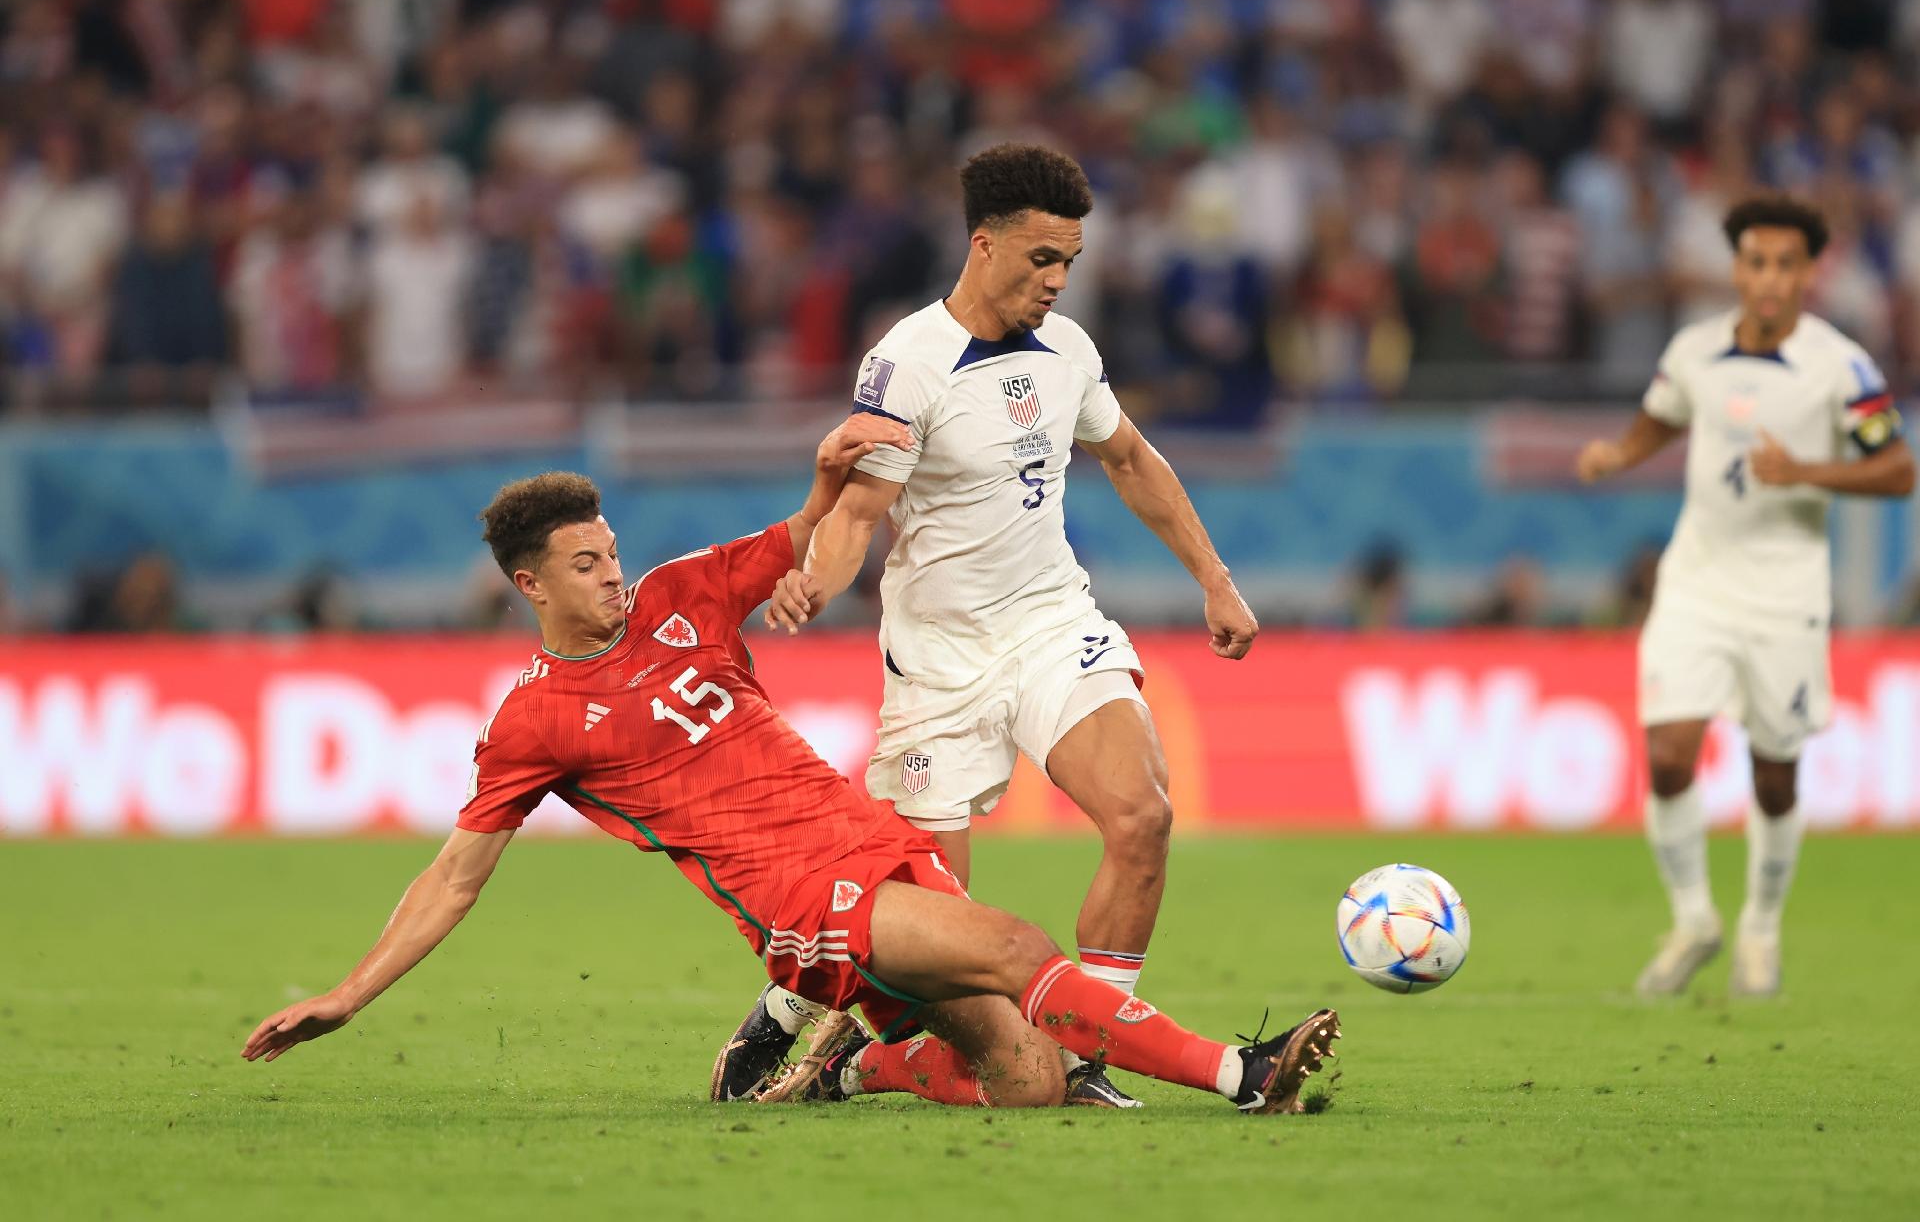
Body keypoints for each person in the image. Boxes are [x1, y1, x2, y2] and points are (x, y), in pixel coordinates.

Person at [240, 448, 1340, 1118]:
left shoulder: (681, 595)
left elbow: (806, 537)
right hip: (805, 902)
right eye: (585, 563)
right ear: (529, 584)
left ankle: (854, 1075)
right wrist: (349, 991)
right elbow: (454, 878)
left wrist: (826, 483)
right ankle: (1244, 1073)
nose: (614, 571)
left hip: (869, 840)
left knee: (1030, 1079)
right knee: (1015, 945)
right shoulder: (532, 722)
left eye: (612, 549)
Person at [714, 144, 1260, 1108]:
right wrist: (814, 582)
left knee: (1143, 815)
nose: (1057, 281)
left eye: (1069, 264)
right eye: (1042, 259)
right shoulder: (907, 363)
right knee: (933, 943)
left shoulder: (1072, 353)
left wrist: (1216, 581)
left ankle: (1090, 1052)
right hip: (939, 664)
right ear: (984, 243)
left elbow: (1132, 460)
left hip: (1052, 624)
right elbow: (857, 513)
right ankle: (805, 1022)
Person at [1575, 194, 1914, 999]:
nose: (1769, 279)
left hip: (1787, 592)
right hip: (1696, 579)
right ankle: (1695, 918)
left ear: (1807, 272)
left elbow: (1898, 469)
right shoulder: (1695, 349)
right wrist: (1619, 454)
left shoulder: (1842, 365)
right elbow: (1663, 415)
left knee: (1773, 774)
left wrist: (1806, 472)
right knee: (1666, 753)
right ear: (1737, 268)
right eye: (1755, 262)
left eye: (1785, 264)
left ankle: (1760, 925)